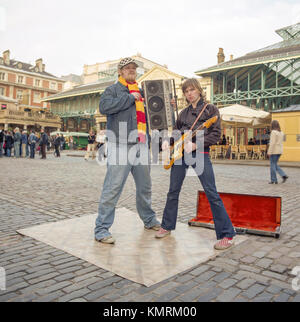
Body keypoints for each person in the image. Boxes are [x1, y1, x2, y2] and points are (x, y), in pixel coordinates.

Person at [155, 78, 236, 250]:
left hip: (200, 153)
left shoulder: (210, 109)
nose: (189, 93)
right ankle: (167, 225)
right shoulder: (183, 113)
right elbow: (177, 134)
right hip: (180, 155)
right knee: (172, 191)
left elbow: (216, 135)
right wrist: (166, 142)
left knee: (211, 192)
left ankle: (227, 234)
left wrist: (196, 144)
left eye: (192, 90)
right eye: (186, 91)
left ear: (199, 90)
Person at [94, 57, 160, 244]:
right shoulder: (113, 90)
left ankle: (149, 220)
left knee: (145, 187)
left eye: (134, 68)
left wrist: (163, 108)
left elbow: (153, 118)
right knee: (113, 187)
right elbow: (104, 107)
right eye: (128, 68)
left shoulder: (142, 92)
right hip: (119, 143)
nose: (132, 70)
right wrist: (130, 98)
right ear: (120, 71)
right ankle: (101, 229)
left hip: (141, 144)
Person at [267, 120, 288, 184]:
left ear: (272, 125)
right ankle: (283, 175)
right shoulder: (281, 132)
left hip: (274, 151)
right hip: (279, 151)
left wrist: (269, 152)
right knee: (275, 164)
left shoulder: (273, 132)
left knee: (272, 166)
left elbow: (272, 143)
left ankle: (274, 180)